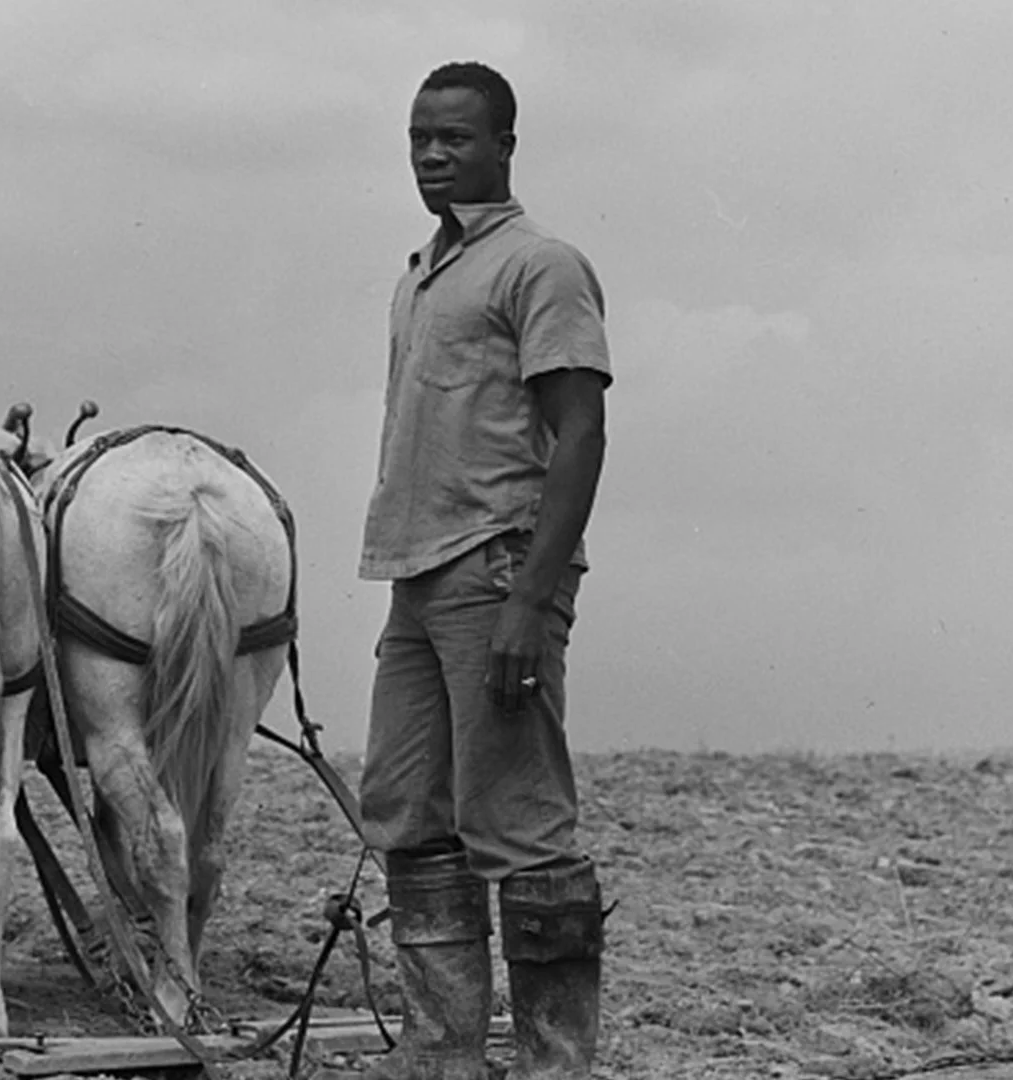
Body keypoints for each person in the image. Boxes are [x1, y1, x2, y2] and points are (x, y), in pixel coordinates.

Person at [356, 61, 612, 1080]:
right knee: (409, 811)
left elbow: (582, 432)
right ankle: (440, 1056)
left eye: (454, 139)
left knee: (520, 826)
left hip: (496, 569)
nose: (430, 154)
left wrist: (530, 602)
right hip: (415, 574)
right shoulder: (421, 273)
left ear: (505, 147)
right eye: (419, 137)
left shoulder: (540, 266)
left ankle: (557, 1066)